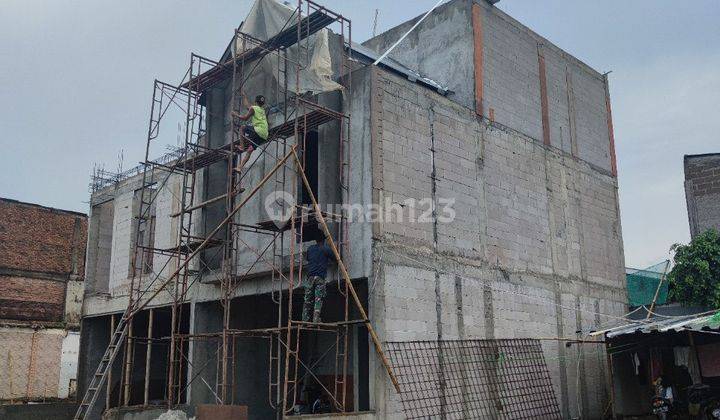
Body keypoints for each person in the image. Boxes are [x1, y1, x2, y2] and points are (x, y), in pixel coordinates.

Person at [233, 94, 269, 173]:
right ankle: (239, 167)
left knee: (242, 128)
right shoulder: (262, 110)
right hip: (264, 135)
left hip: (258, 130)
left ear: (255, 102)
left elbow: (245, 118)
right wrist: (244, 96)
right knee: (250, 150)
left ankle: (242, 146)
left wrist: (235, 114)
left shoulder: (254, 108)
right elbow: (248, 107)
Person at [302, 236, 334, 323]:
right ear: (323, 240)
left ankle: (304, 320)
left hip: (310, 278)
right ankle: (315, 320)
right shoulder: (326, 249)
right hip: (319, 277)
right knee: (318, 298)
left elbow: (308, 258)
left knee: (307, 299)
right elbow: (335, 257)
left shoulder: (311, 248)